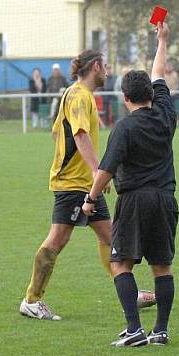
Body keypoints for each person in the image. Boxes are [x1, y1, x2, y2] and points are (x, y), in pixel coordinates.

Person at [83, 21, 178, 347]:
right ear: (152, 94)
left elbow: (106, 170)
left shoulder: (123, 128)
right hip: (165, 199)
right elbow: (159, 72)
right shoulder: (166, 114)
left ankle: (134, 329)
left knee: (120, 263)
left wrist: (90, 200)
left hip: (135, 200)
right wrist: (162, 41)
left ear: (125, 97)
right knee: (162, 267)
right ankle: (161, 331)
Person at [18, 49, 115, 321]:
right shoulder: (79, 96)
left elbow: (56, 132)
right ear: (95, 66)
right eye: (105, 66)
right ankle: (32, 300)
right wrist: (97, 171)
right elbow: (80, 134)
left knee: (110, 236)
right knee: (58, 239)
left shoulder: (75, 95)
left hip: (83, 182)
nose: (108, 71)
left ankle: (127, 292)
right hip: (73, 184)